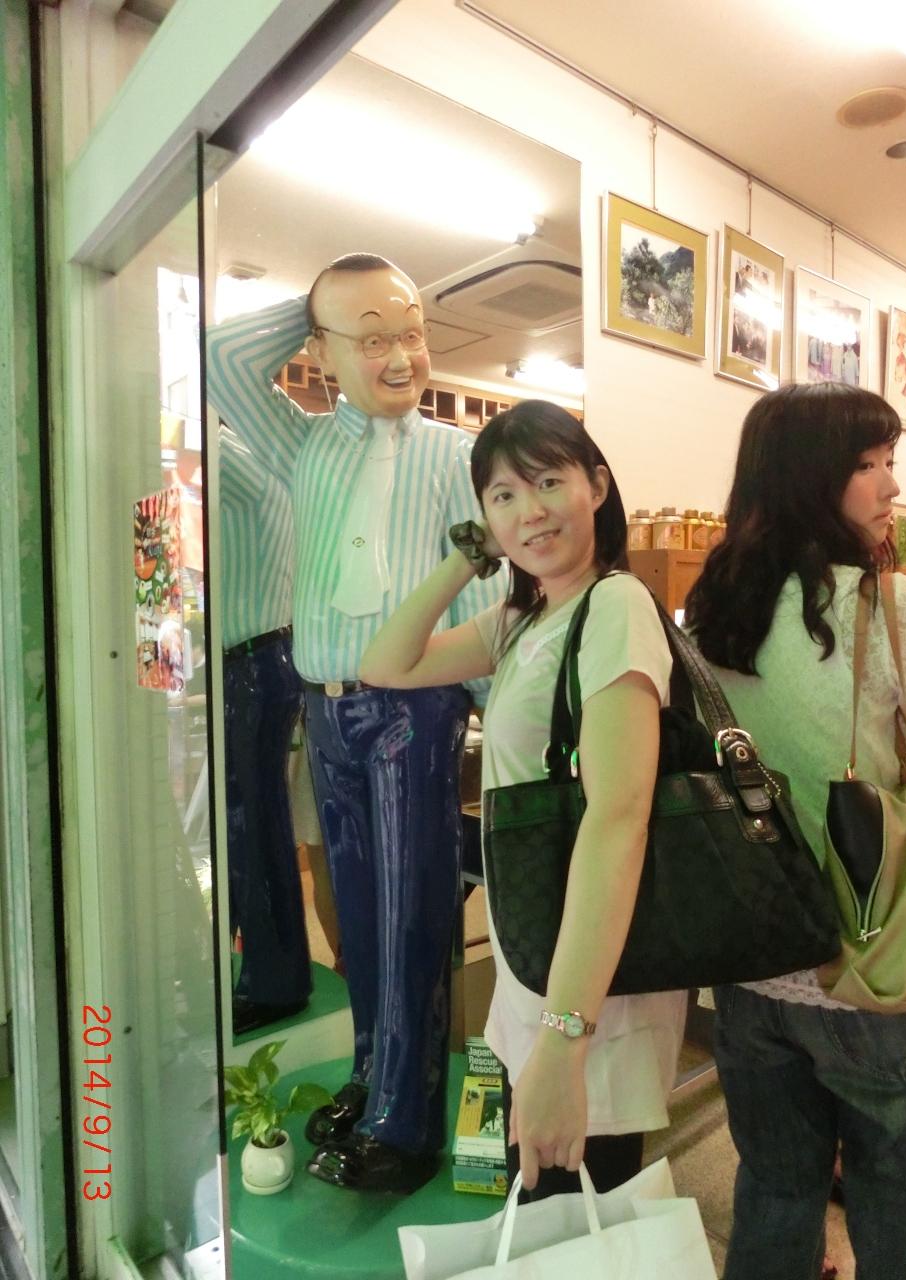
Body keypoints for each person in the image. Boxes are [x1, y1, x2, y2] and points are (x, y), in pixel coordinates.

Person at [206, 254, 501, 1193]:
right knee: (360, 911)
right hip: (326, 706)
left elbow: (487, 584)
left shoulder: (457, 456)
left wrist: (491, 703)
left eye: (410, 331)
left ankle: (407, 1124)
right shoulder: (300, 444)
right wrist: (315, 305)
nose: (400, 356)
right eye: (371, 340)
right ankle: (374, 1079)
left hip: (416, 708)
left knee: (413, 912)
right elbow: (221, 357)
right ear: (323, 351)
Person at [361, 400, 686, 1197]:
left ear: (596, 487)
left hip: (587, 997)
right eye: (503, 495)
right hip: (535, 969)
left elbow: (618, 820)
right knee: (542, 1216)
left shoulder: (614, 608)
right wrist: (470, 556)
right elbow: (387, 663)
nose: (529, 510)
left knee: (571, 1222)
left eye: (547, 482)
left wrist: (564, 1044)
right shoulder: (528, 617)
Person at [684, 381, 906, 1280]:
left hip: (751, 962)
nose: (892, 487)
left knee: (773, 1189)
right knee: (905, 1199)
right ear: (807, 477)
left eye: (890, 462)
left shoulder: (712, 606)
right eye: (866, 465)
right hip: (875, 962)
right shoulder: (888, 603)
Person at [219, 426, 311, 1034]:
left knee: (252, 826)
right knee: (251, 824)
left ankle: (275, 980)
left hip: (252, 663)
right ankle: (268, 972)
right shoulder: (268, 462)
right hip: (262, 660)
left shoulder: (231, 454)